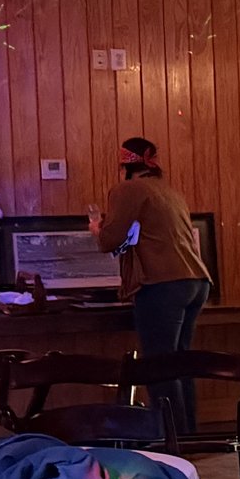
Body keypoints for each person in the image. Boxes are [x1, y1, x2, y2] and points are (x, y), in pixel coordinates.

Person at [92, 135, 212, 431]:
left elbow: (110, 240)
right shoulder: (170, 192)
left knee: (158, 365)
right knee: (180, 362)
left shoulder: (128, 189)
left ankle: (170, 438)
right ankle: (186, 433)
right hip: (196, 281)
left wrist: (96, 228)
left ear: (125, 167)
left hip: (162, 284)